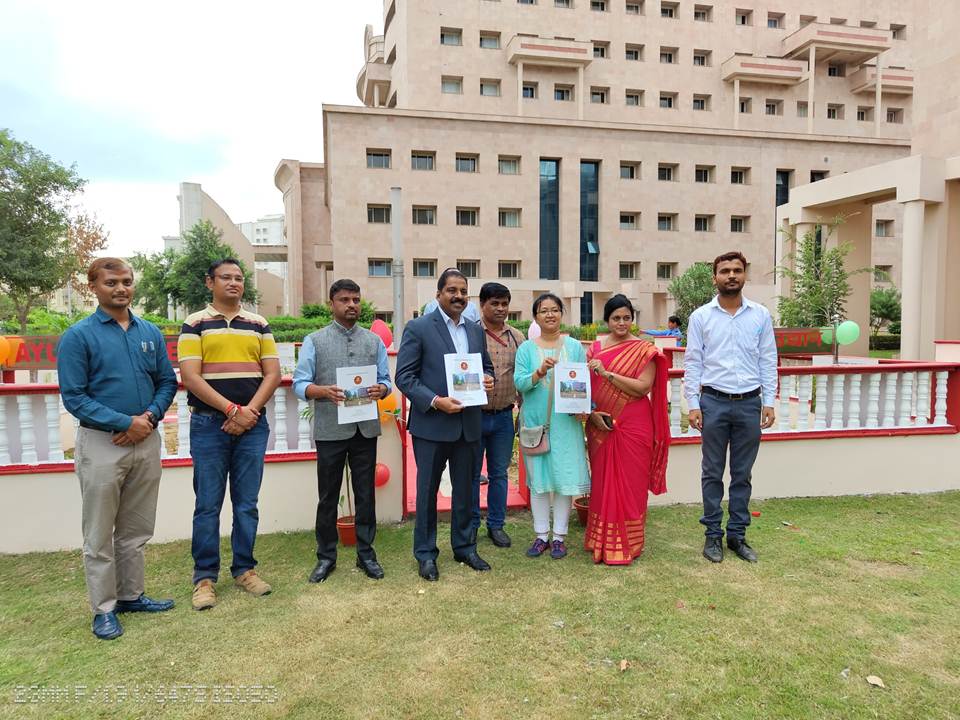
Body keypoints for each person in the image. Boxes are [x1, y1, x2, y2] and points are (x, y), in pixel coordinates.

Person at [58, 258, 178, 640]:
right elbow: (74, 397)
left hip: (146, 439)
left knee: (136, 527)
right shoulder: (78, 337)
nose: (121, 288)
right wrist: (126, 422)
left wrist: (149, 418)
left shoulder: (149, 332)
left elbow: (167, 382)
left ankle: (131, 595)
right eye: (111, 282)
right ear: (92, 286)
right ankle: (104, 609)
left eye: (126, 281)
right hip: (102, 444)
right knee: (99, 532)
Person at [178, 259, 281, 609]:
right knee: (207, 505)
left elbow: (272, 374)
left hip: (252, 426)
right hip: (209, 426)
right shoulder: (195, 324)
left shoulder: (259, 324)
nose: (234, 283)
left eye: (239, 278)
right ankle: (204, 578)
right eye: (226, 277)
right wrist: (232, 410)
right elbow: (191, 377)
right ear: (210, 282)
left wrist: (247, 413)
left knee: (247, 503)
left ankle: (245, 569)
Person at [395, 268, 495, 581]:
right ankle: (426, 554)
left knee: (466, 490)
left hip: (468, 424)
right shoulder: (419, 327)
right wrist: (436, 401)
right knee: (427, 492)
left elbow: (486, 367)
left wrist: (487, 379)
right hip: (432, 425)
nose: (458, 296)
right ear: (439, 294)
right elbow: (404, 377)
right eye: (452, 290)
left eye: (463, 291)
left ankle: (465, 547)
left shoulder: (475, 331)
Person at [292, 279, 392, 583]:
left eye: (356, 300)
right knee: (328, 496)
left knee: (365, 495)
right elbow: (299, 384)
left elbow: (386, 381)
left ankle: (366, 554)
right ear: (331, 304)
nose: (352, 305)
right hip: (330, 430)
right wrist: (322, 391)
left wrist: (381, 389)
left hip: (365, 429)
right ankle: (326, 557)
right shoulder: (315, 340)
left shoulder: (373, 342)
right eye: (345, 300)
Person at [684, 251, 778, 564]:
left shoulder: (760, 315)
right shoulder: (701, 317)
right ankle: (713, 534)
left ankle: (737, 535)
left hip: (750, 403)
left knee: (742, 474)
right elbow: (693, 362)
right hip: (713, 402)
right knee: (712, 472)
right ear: (715, 278)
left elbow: (768, 359)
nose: (731, 275)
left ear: (744, 275)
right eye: (725, 271)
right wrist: (693, 404)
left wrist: (769, 401)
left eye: (737, 270)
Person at [585, 295, 670, 565]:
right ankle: (600, 541)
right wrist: (591, 414)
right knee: (602, 482)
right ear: (607, 320)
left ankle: (629, 544)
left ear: (632, 319)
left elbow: (643, 387)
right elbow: (584, 388)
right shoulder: (595, 349)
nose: (621, 323)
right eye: (615, 318)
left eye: (626, 318)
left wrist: (607, 374)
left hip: (634, 423)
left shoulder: (644, 350)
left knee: (632, 483)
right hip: (600, 423)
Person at [514, 293, 590, 560]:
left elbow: (582, 382)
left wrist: (583, 406)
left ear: (561, 314)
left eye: (555, 310)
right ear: (535, 317)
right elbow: (519, 383)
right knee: (539, 481)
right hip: (536, 423)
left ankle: (558, 537)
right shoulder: (526, 349)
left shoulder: (574, 346)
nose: (550, 314)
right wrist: (539, 372)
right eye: (544, 310)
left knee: (562, 480)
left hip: (566, 423)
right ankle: (540, 535)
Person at [471, 282, 525, 548]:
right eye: (495, 303)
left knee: (499, 474)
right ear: (482, 304)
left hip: (504, 417)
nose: (501, 308)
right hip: (473, 417)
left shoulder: (517, 337)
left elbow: (523, 375)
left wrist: (523, 409)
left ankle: (496, 525)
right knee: (470, 474)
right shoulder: (469, 333)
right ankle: (470, 525)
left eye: (504, 303)